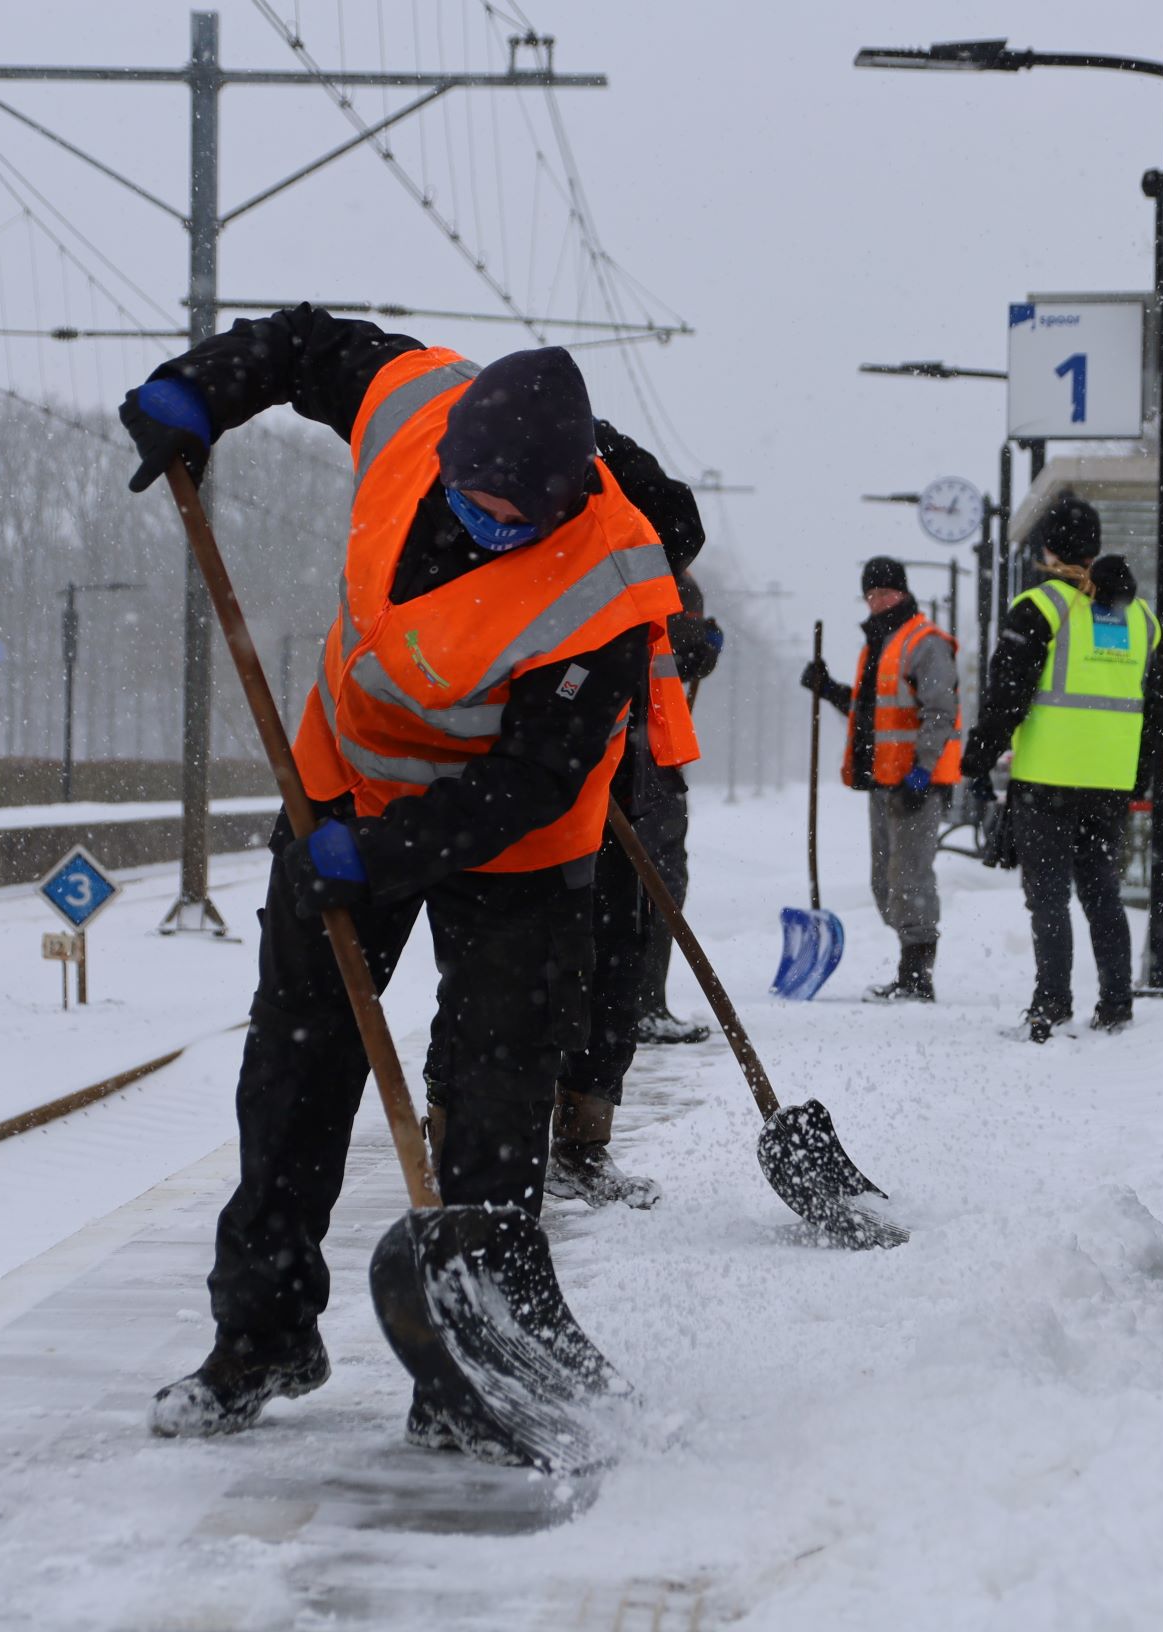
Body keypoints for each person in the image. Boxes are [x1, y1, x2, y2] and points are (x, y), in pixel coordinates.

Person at [117, 304, 698, 1451]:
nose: (486, 523)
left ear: (567, 497)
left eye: (512, 517)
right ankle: (264, 1335)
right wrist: (205, 388)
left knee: (489, 1103)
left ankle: (471, 1366)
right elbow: (307, 346)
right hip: (339, 785)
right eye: (471, 498)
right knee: (292, 1076)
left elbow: (535, 779)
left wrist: (379, 856)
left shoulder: (610, 586)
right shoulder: (415, 404)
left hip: (518, 851)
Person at [962, 491, 1161, 1041]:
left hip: (1048, 776)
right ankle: (1117, 1005)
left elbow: (1007, 695)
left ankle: (1051, 1005)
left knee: (1048, 894)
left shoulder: (1039, 608)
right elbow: (1159, 710)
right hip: (1109, 783)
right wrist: (1140, 771)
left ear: (1046, 548)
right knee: (1101, 891)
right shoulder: (1141, 617)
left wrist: (978, 758)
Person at [550, 566, 717, 1208]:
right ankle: (474, 1148)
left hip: (635, 787)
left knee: (616, 966)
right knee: (527, 976)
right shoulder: (586, 572)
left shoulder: (650, 581)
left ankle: (580, 1147)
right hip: (558, 793)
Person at [799, 556, 962, 1002]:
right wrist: (829, 688)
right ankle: (912, 956)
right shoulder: (880, 645)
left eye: (886, 593)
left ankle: (916, 976)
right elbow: (871, 714)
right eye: (871, 595)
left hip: (916, 782)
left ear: (904, 593)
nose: (878, 601)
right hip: (885, 780)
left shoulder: (924, 643)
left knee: (909, 878)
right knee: (884, 882)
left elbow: (940, 711)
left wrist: (923, 770)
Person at [633, 571, 722, 1047]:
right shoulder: (668, 580)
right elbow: (677, 656)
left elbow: (676, 661)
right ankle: (642, 1005)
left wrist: (701, 651)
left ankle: (633, 1004)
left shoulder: (622, 562)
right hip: (647, 761)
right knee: (658, 881)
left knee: (643, 883)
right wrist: (702, 647)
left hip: (639, 755)